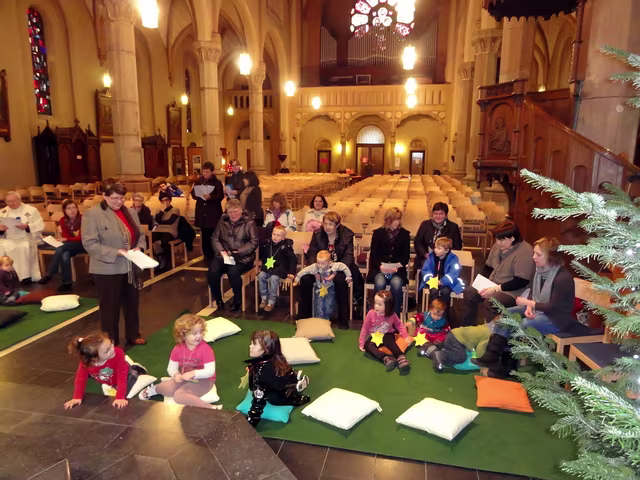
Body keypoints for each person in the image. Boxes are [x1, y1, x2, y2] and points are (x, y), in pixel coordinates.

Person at [473, 237, 575, 369]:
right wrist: (529, 307)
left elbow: (553, 307)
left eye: (538, 254)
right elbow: (533, 293)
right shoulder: (540, 271)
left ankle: (508, 364)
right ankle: (492, 355)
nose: (533, 257)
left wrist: (528, 303)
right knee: (508, 313)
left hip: (556, 318)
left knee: (523, 324)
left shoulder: (563, 278)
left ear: (551, 256)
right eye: (534, 253)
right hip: (540, 310)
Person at [82, 181, 147, 346]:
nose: (119, 202)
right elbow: (90, 244)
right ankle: (110, 341)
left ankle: (133, 334)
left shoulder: (131, 212)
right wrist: (116, 252)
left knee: (132, 303)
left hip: (130, 266)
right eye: (114, 198)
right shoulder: (92, 214)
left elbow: (140, 234)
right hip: (107, 269)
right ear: (104, 196)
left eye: (122, 198)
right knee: (110, 308)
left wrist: (139, 247)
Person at [462, 220, 535, 326]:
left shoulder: (524, 252)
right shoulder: (498, 246)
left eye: (501, 240)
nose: (498, 243)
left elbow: (521, 281)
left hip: (512, 291)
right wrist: (481, 284)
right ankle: (467, 327)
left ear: (512, 238)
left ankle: (493, 332)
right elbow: (488, 267)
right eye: (497, 239)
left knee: (491, 302)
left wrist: (495, 289)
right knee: (470, 292)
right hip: (492, 284)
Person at [139, 314, 220, 409]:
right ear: (183, 335)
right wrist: (175, 375)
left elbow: (210, 371)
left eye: (201, 332)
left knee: (179, 396)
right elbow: (171, 368)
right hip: (185, 378)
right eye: (194, 333)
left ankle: (210, 408)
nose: (199, 336)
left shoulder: (206, 349)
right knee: (166, 387)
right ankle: (153, 390)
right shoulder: (177, 349)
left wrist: (193, 373)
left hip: (204, 380)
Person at [301, 211, 361, 329]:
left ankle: (343, 320)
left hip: (340, 268)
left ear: (337, 225)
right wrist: (316, 270)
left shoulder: (347, 235)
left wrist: (334, 271)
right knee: (305, 279)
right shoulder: (318, 234)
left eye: (330, 224)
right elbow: (312, 253)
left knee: (340, 281)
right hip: (320, 266)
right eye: (325, 223)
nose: (327, 227)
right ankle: (303, 317)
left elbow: (348, 257)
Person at [64, 331, 148, 410]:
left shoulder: (118, 353)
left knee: (130, 388)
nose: (112, 349)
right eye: (107, 351)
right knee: (110, 384)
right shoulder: (87, 363)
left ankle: (136, 369)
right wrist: (77, 397)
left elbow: (122, 376)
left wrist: (120, 397)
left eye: (111, 344)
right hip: (109, 377)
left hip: (126, 374)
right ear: (94, 358)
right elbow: (80, 377)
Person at [245, 330, 310, 427]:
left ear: (266, 349)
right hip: (279, 380)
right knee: (284, 375)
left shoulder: (262, 372)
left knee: (268, 393)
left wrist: (252, 418)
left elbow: (258, 399)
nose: (250, 346)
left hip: (277, 394)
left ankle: (295, 392)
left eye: (254, 344)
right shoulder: (276, 358)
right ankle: (294, 377)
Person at [209, 199, 259, 311]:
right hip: (224, 255)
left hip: (242, 257)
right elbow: (215, 238)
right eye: (230, 212)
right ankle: (218, 298)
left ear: (241, 210)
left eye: (235, 211)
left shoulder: (249, 223)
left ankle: (238, 300)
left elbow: (254, 242)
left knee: (233, 271)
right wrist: (222, 251)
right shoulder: (222, 222)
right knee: (213, 271)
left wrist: (238, 251)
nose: (233, 214)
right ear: (227, 212)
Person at [367, 207, 410, 317]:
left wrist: (396, 268)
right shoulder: (378, 233)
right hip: (380, 269)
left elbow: (405, 257)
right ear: (387, 220)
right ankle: (378, 316)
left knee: (396, 285)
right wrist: (380, 267)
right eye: (394, 219)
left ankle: (394, 317)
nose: (396, 222)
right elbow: (374, 255)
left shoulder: (404, 234)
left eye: (398, 219)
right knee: (379, 283)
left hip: (397, 271)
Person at [359, 290, 412, 373]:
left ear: (388, 306)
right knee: (368, 346)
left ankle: (401, 357)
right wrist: (361, 343)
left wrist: (405, 336)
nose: (376, 306)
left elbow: (399, 325)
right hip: (375, 336)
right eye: (375, 303)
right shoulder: (370, 314)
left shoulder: (392, 315)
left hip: (387, 334)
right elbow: (364, 328)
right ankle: (386, 359)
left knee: (390, 342)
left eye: (379, 304)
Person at [39, 199, 86, 292]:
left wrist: (67, 240)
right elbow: (66, 236)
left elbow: (81, 238)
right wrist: (67, 239)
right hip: (70, 245)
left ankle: (50, 273)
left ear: (77, 209)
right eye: (69, 208)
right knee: (64, 254)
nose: (72, 210)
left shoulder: (83, 219)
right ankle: (67, 283)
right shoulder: (63, 220)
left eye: (74, 207)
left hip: (84, 244)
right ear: (64, 210)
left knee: (62, 248)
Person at [0, 191, 44, 284]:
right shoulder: (3, 212)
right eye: (8, 201)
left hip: (25, 238)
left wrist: (27, 227)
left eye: (13, 201)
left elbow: (40, 225)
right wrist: (1, 230)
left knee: (22, 247)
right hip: (8, 238)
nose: (11, 203)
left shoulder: (31, 210)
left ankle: (24, 277)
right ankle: (4, 277)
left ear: (19, 199)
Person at [294, 250, 352, 319]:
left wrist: (348, 276)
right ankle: (320, 318)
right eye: (318, 263)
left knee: (329, 304)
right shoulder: (315, 267)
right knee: (319, 303)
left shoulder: (334, 266)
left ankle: (328, 316)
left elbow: (344, 267)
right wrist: (297, 278)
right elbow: (304, 270)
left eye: (323, 263)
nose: (320, 265)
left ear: (329, 263)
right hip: (320, 288)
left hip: (330, 288)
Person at [413, 202, 462, 279]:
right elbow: (417, 242)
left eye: (441, 214)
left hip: (445, 259)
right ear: (432, 214)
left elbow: (457, 246)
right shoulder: (425, 225)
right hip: (427, 257)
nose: (438, 216)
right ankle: (425, 286)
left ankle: (442, 285)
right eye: (435, 213)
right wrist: (425, 254)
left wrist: (444, 254)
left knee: (445, 270)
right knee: (425, 270)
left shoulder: (453, 227)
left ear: (446, 215)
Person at [258, 225, 297, 312]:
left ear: (283, 238)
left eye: (278, 235)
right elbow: (264, 257)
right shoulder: (268, 245)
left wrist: (291, 272)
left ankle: (271, 301)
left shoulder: (286, 246)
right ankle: (264, 298)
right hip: (269, 268)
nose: (275, 237)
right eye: (274, 234)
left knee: (274, 278)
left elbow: (293, 259)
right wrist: (262, 267)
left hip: (280, 269)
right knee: (261, 275)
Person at [424, 324, 491, 373]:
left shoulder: (489, 327)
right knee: (461, 357)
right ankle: (439, 355)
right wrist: (482, 366)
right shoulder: (490, 335)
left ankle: (434, 349)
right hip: (456, 338)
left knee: (455, 354)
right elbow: (480, 348)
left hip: (455, 334)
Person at [191, 161, 224, 260]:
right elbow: (194, 196)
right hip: (202, 211)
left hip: (213, 212)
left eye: (207, 172)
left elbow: (220, 196)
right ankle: (206, 254)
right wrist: (195, 193)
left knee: (213, 233)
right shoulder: (198, 182)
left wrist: (211, 197)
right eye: (204, 172)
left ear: (212, 172)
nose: (205, 174)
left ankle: (215, 253)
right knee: (204, 233)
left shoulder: (217, 183)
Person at [419, 236, 465, 308]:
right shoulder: (431, 257)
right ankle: (434, 311)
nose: (436, 250)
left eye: (439, 248)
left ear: (446, 250)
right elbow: (426, 270)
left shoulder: (453, 259)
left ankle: (444, 312)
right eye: (435, 248)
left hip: (447, 282)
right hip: (433, 281)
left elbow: (453, 273)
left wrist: (442, 281)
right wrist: (431, 279)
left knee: (445, 292)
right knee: (433, 291)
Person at [152, 192, 181, 272]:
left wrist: (161, 222)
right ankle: (157, 258)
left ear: (170, 200)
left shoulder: (175, 210)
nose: (165, 202)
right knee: (149, 238)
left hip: (170, 231)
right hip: (159, 230)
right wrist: (162, 211)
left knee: (164, 240)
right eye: (163, 200)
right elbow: (157, 220)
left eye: (167, 200)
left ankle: (168, 262)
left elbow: (170, 221)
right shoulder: (159, 210)